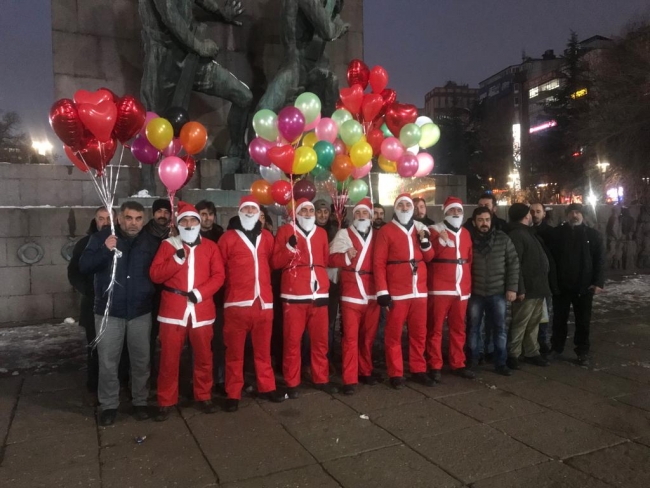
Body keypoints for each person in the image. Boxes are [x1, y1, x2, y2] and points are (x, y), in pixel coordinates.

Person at [79, 201, 159, 426]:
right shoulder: (101, 238)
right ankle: (109, 405)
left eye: (138, 218)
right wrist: (105, 249)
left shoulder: (151, 243)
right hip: (109, 312)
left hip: (140, 311)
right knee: (107, 362)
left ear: (143, 221)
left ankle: (140, 401)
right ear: (120, 219)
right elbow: (84, 266)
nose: (133, 223)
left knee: (141, 360)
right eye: (129, 218)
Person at [150, 201, 226, 421]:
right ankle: (166, 399)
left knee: (203, 356)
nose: (190, 224)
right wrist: (175, 260)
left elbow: (219, 276)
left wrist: (201, 293)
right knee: (169, 358)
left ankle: (203, 395)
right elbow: (155, 275)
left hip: (201, 310)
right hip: (173, 310)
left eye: (193, 220)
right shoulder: (168, 245)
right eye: (185, 220)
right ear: (179, 223)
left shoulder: (211, 247)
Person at [272, 198, 337, 398]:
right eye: (304, 210)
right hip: (294, 295)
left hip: (319, 294)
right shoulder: (285, 232)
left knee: (320, 341)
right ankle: (292, 381)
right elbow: (275, 262)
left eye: (311, 210)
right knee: (292, 341)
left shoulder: (322, 233)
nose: (309, 213)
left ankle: (321, 377)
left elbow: (325, 260)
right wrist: (289, 249)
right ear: (297, 213)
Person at [374, 193, 435, 389]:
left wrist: (425, 243)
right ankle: (396, 372)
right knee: (394, 334)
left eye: (408, 205)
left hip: (419, 290)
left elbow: (430, 256)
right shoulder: (386, 231)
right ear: (395, 207)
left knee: (419, 333)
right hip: (397, 291)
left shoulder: (420, 229)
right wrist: (382, 290)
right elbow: (379, 262)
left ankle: (418, 369)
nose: (405, 208)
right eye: (401, 205)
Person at [329, 198, 380, 395]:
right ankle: (349, 378)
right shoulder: (344, 234)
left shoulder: (378, 236)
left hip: (373, 292)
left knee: (368, 336)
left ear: (370, 216)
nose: (361, 216)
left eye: (364, 213)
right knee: (350, 338)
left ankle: (365, 370)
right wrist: (346, 256)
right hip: (351, 291)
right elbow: (330, 258)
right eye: (358, 213)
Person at [547, 203, 605, 366]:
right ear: (567, 215)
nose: (575, 215)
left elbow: (600, 260)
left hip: (584, 286)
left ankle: (582, 351)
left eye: (578, 212)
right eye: (572, 212)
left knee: (583, 321)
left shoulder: (593, 235)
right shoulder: (557, 234)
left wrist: (598, 282)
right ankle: (556, 348)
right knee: (559, 319)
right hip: (562, 286)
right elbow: (551, 258)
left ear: (583, 215)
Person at [466, 207, 519, 376]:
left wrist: (512, 288)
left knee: (499, 329)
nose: (484, 223)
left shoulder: (503, 239)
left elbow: (513, 263)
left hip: (498, 292)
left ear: (491, 221)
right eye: (480, 220)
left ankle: (500, 362)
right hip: (475, 292)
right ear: (474, 222)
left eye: (487, 220)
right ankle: (473, 360)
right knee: (474, 328)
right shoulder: (468, 240)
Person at [427, 196, 475, 380]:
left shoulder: (465, 233)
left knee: (458, 328)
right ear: (445, 212)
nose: (456, 213)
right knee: (435, 328)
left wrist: (467, 285)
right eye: (452, 210)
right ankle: (435, 364)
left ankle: (458, 362)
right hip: (439, 288)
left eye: (459, 210)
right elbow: (429, 256)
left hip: (461, 288)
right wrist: (439, 241)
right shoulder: (434, 231)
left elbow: (469, 260)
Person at [68, 207, 111, 395]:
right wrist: (89, 291)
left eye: (109, 218)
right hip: (93, 304)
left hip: (117, 305)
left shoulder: (121, 241)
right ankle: (94, 385)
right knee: (95, 346)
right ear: (96, 221)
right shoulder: (85, 243)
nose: (105, 222)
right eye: (101, 218)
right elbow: (74, 272)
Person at [506, 203, 551, 369]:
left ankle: (532, 352)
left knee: (533, 322)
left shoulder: (526, 232)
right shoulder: (518, 234)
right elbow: (515, 263)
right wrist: (519, 288)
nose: (532, 215)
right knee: (521, 323)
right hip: (528, 288)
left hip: (538, 287)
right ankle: (513, 354)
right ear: (526, 216)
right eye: (529, 213)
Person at [530, 203, 554, 354]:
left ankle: (542, 340)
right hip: (531, 279)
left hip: (546, 279)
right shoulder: (525, 231)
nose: (535, 214)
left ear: (544, 214)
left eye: (538, 211)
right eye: (532, 211)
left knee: (544, 313)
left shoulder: (551, 232)